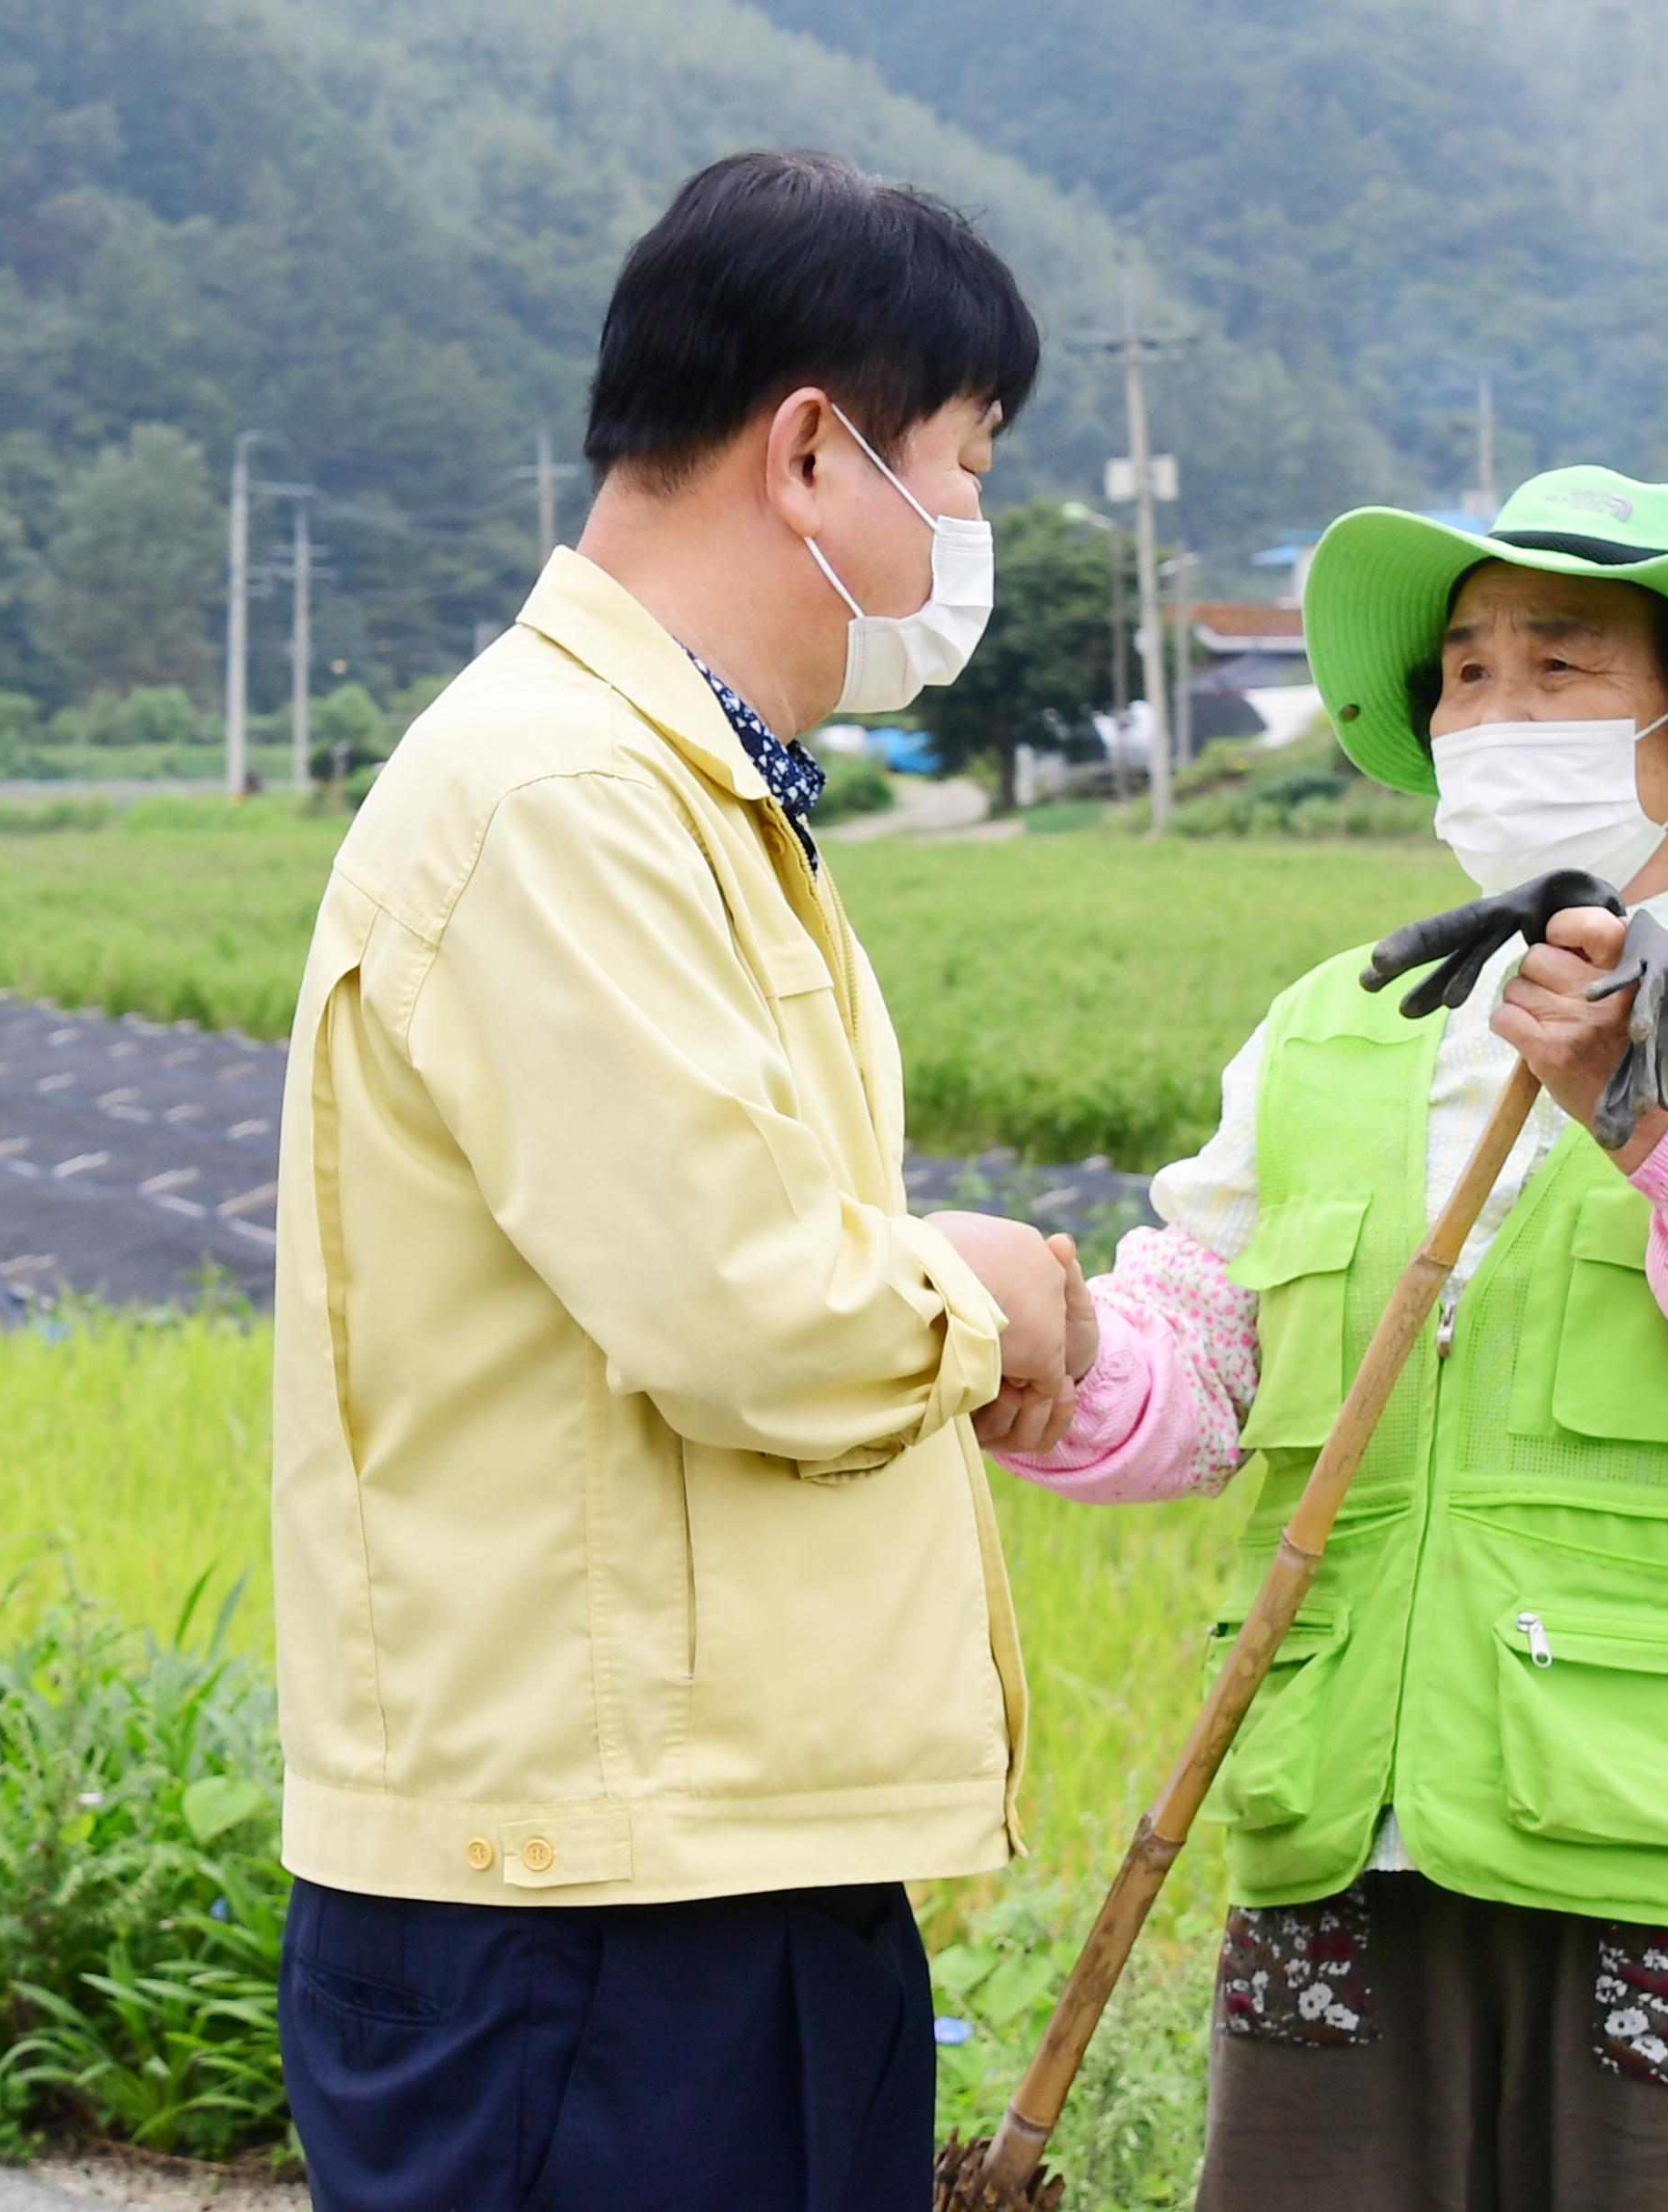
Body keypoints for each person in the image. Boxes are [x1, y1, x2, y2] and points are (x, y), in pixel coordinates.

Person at [1000, 468, 1668, 2208]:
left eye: (1559, 667)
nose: (1495, 710)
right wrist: (1042, 1350)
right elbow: (1212, 1348)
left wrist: (1658, 1128)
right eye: (1466, 673)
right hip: (1349, 1840)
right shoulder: (1333, 1024)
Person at [266, 151, 1090, 2212]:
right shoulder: (564, 797)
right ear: (816, 451)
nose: (972, 531)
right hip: (591, 1909)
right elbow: (747, 1309)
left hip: (701, 1857)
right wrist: (989, 1289)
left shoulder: (690, 791)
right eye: (965, 464)